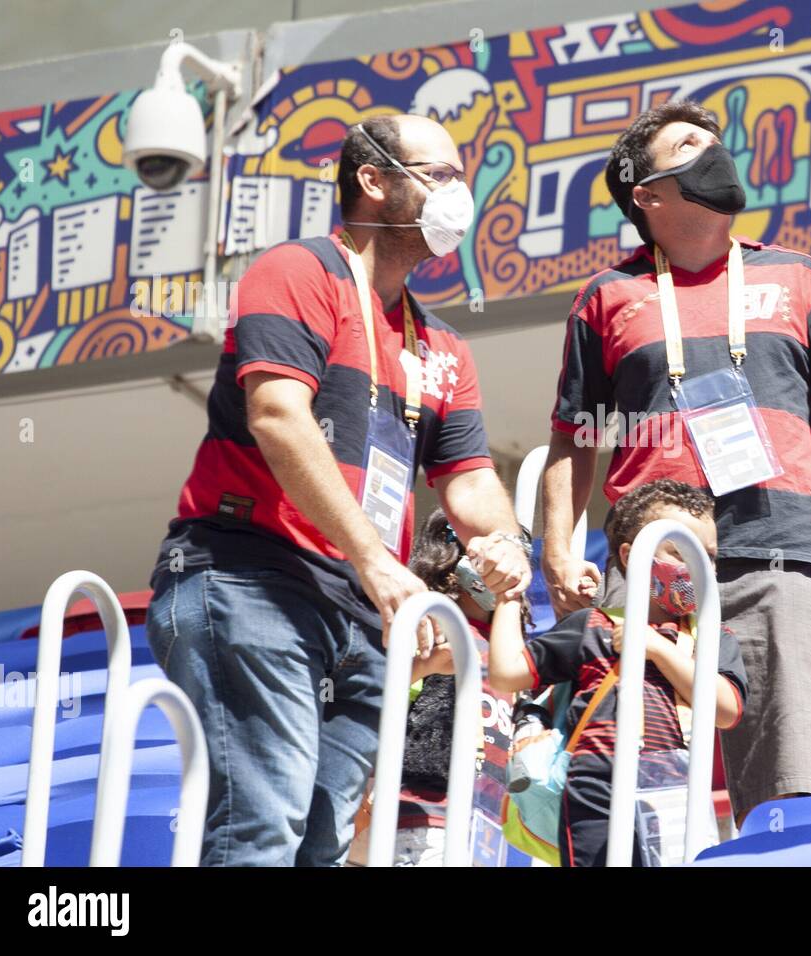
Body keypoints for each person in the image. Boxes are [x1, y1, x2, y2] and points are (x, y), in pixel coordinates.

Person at [146, 114, 531, 866]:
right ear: (374, 179)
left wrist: (506, 542)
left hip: (359, 617)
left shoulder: (441, 345)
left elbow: (472, 478)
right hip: (251, 579)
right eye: (439, 174)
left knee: (318, 848)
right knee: (263, 829)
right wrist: (373, 557)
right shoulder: (297, 271)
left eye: (463, 176)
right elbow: (278, 419)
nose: (460, 192)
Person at [539, 100, 811, 828]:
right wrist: (556, 549)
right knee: (629, 774)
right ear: (648, 192)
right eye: (691, 144)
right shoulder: (607, 297)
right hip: (649, 567)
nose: (715, 151)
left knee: (790, 787)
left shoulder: (800, 276)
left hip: (779, 558)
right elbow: (575, 439)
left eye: (713, 140)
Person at [489, 479, 748, 866]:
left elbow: (727, 710)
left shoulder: (710, 636)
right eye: (681, 552)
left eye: (708, 556)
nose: (698, 567)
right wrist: (507, 597)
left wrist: (658, 648)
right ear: (631, 555)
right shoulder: (592, 624)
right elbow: (508, 673)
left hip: (674, 791)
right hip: (595, 786)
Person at [348, 508, 531, 867]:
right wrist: (427, 665)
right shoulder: (426, 623)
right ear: (453, 557)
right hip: (421, 814)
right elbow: (367, 696)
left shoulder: (509, 649)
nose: (507, 574)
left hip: (484, 827)